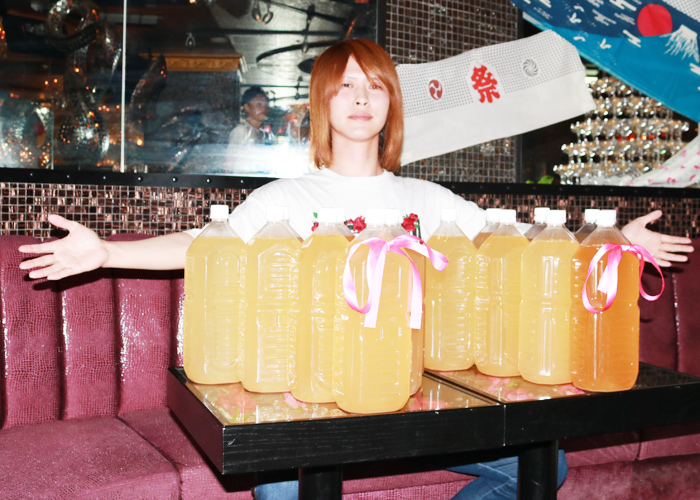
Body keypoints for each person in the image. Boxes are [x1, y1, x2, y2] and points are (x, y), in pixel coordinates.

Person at [17, 38, 693, 499]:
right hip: (315, 401)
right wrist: (107, 252)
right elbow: (202, 243)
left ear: (391, 104)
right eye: (344, 88)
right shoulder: (286, 199)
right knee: (280, 485)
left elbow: (518, 239)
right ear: (323, 105)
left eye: (374, 86)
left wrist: (610, 240)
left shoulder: (428, 200)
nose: (361, 98)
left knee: (545, 467)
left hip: (410, 394)